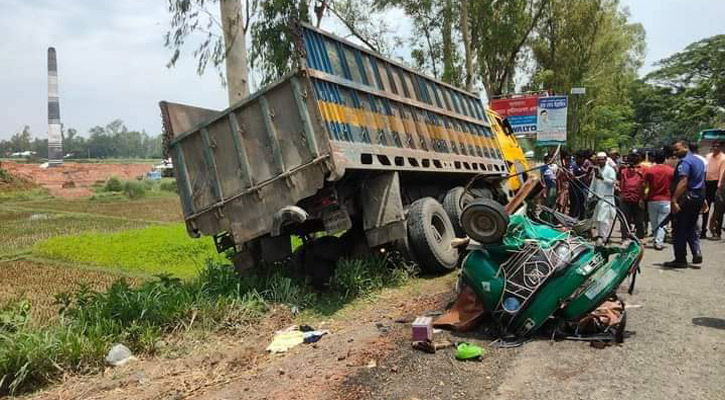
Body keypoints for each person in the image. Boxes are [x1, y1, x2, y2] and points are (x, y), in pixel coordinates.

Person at [665, 140, 706, 268]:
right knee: (691, 226)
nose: (675, 153)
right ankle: (696, 252)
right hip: (698, 196)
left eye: (677, 150)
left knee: (679, 229)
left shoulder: (685, 162)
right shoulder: (699, 161)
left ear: (686, 147)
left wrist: (674, 200)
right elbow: (700, 180)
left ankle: (680, 259)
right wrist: (703, 199)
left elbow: (684, 181)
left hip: (686, 199)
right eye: (673, 150)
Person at [645, 151, 674, 250]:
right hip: (666, 199)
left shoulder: (650, 171)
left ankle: (657, 239)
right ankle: (659, 242)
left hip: (652, 199)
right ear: (665, 159)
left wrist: (641, 197)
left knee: (654, 222)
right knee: (662, 223)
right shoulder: (671, 171)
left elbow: (644, 185)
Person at [589, 152, 617, 245]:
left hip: (606, 197)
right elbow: (593, 183)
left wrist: (603, 178)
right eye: (599, 159)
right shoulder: (596, 170)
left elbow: (612, 182)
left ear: (605, 159)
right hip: (597, 197)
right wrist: (590, 195)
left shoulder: (610, 170)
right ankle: (600, 235)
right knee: (597, 218)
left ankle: (603, 236)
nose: (600, 161)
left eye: (602, 159)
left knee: (604, 218)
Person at [619, 153, 646, 239]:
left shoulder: (641, 170)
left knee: (636, 220)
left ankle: (636, 238)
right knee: (628, 220)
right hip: (629, 198)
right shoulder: (624, 170)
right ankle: (628, 237)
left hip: (635, 198)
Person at [703, 141, 725, 238]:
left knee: (718, 209)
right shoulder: (708, 157)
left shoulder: (723, 158)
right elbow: (705, 170)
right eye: (714, 146)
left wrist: (719, 187)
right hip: (707, 184)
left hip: (717, 184)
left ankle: (717, 230)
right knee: (705, 208)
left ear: (721, 147)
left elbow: (722, 173)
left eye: (718, 146)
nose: (716, 148)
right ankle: (703, 230)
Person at [688, 142, 708, 238]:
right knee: (698, 211)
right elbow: (704, 176)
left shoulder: (687, 160)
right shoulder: (703, 160)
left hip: (689, 188)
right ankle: (699, 231)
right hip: (701, 188)